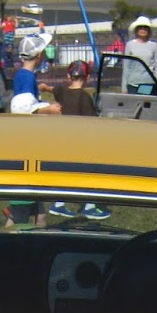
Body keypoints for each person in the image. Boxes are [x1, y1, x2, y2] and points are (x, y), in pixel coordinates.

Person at [7, 32, 60, 226]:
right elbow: (22, 109)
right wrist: (49, 109)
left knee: (40, 215)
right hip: (26, 148)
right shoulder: (27, 78)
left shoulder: (23, 75)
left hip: (27, 145)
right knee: (20, 213)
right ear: (39, 55)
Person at [49, 61, 110, 222]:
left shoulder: (62, 93)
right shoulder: (85, 97)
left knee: (66, 172)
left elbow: (54, 90)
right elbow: (92, 123)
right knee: (89, 172)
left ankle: (58, 203)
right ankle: (90, 206)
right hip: (82, 143)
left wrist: (43, 87)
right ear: (88, 77)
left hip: (64, 140)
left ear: (68, 76)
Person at [122, 16, 157, 94]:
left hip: (147, 83)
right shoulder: (130, 45)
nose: (143, 30)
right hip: (132, 83)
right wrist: (124, 87)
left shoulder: (154, 45)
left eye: (145, 27)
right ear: (136, 30)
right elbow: (126, 67)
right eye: (140, 27)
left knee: (144, 104)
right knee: (133, 105)